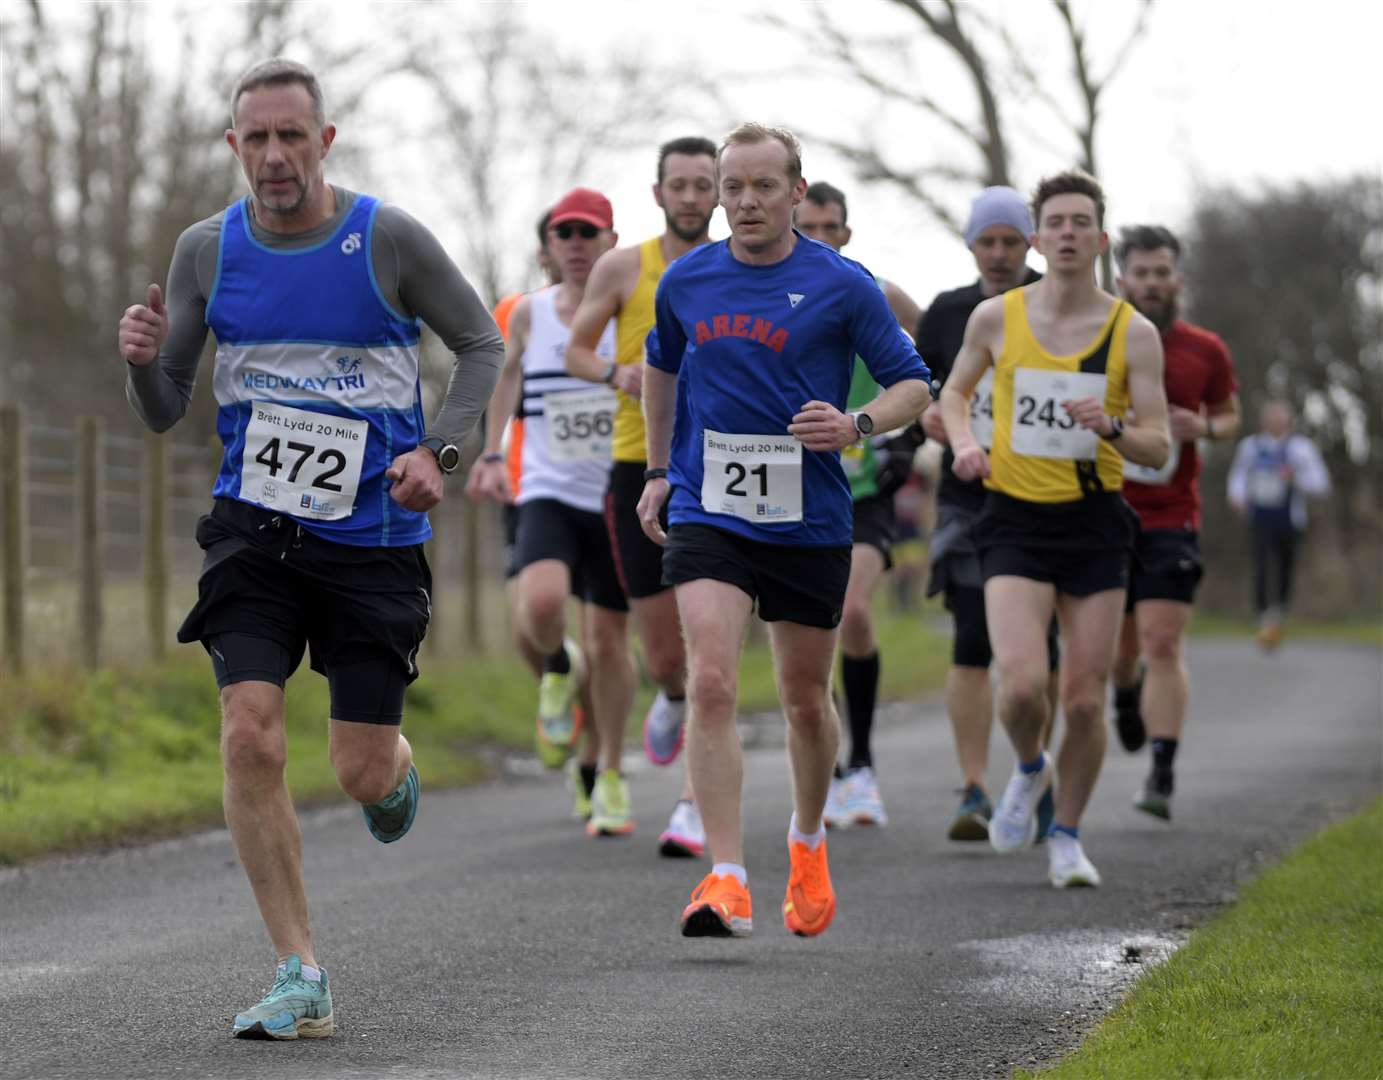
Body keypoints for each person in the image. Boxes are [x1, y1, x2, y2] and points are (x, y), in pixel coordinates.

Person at [116, 59, 503, 1038]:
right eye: (258, 138)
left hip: (372, 540)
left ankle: (394, 772)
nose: (276, 156)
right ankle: (300, 972)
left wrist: (440, 452)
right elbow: (166, 409)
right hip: (255, 533)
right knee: (250, 729)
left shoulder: (389, 239)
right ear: (234, 147)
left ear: (325, 142)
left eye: (294, 136)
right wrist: (137, 364)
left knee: (359, 771)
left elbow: (480, 347)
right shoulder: (207, 250)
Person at [640, 123, 931, 938]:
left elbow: (915, 384)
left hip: (808, 515)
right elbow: (661, 368)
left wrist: (856, 423)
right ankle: (725, 876)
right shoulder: (687, 280)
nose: (742, 202)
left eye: (762, 186)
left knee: (805, 701)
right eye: (732, 187)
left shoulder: (841, 284)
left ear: (796, 192)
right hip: (710, 505)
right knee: (710, 681)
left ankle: (806, 842)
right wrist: (659, 472)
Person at [940, 168, 1170, 889]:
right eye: (1056, 223)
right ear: (1038, 238)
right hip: (1011, 519)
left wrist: (1112, 427)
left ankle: (1066, 836)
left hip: (1094, 524)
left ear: (1100, 239)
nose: (1067, 234)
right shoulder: (995, 318)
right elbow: (952, 394)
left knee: (1081, 696)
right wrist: (963, 444)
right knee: (1018, 688)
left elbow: (1159, 445)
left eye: (1081, 223)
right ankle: (1029, 769)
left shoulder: (1131, 332)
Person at [467, 187, 639, 837]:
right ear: (549, 246)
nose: (574, 243)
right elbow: (505, 377)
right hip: (545, 486)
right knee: (538, 607)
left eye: (587, 233)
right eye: (563, 233)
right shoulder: (530, 314)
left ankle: (611, 772)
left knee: (611, 642)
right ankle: (559, 672)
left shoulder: (634, 316)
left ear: (610, 243)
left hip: (615, 493)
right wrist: (490, 452)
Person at [565, 136, 720, 858]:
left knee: (710, 642)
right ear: (657, 195)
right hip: (640, 466)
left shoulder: (741, 267)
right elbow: (575, 348)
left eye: (702, 185)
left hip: (721, 466)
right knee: (664, 653)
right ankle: (674, 694)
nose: (690, 198)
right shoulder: (625, 268)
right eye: (678, 186)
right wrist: (613, 375)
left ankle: (693, 804)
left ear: (719, 194)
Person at [917, 186, 1063, 842]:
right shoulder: (947, 313)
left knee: (1038, 655)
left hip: (1043, 497)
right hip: (967, 498)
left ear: (1029, 242)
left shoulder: (1052, 305)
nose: (999, 253)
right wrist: (929, 419)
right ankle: (973, 786)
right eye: (987, 241)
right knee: (971, 641)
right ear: (970, 245)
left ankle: (1035, 776)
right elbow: (915, 391)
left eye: (1010, 240)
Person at [793, 181, 924, 829]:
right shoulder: (765, 287)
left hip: (863, 486)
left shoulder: (876, 292)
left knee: (856, 610)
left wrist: (902, 441)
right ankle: (832, 765)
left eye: (829, 228)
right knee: (814, 628)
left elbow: (931, 366)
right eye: (806, 226)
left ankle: (862, 765)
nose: (817, 238)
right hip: (790, 484)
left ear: (846, 234)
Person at [1109, 225, 1241, 820]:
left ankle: (1161, 771)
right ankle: (1124, 693)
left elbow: (1230, 413)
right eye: (1143, 273)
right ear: (1123, 280)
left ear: (1177, 280)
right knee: (1120, 647)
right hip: (1106, 510)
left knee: (1162, 640)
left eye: (1163, 273)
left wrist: (1204, 428)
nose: (1154, 283)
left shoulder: (1205, 349)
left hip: (1172, 512)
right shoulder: (1099, 339)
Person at [1227, 398, 1330, 650]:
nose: (1274, 420)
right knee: (1261, 564)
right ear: (1263, 420)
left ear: (1289, 420)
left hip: (1289, 519)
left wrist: (1295, 477)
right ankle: (1263, 615)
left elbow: (1321, 483)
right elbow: (1238, 476)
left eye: (1279, 416)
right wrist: (1238, 497)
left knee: (1286, 566)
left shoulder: (1301, 449)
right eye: (1270, 416)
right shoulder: (1250, 447)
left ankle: (1280, 610)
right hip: (1260, 517)